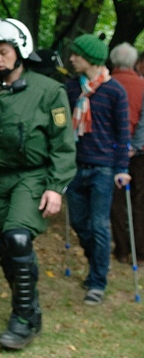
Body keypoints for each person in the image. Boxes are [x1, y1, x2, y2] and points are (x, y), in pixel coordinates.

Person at [0, 18, 76, 349]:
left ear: (20, 50)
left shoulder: (48, 91)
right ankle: (31, 306)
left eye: (3, 52)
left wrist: (55, 186)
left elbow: (63, 143)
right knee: (7, 247)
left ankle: (22, 320)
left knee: (18, 237)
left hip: (32, 176)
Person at [65, 34, 131, 305]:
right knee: (81, 224)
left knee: (99, 225)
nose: (71, 59)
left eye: (76, 55)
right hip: (74, 166)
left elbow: (122, 132)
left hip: (103, 169)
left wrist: (122, 167)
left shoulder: (115, 91)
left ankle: (97, 281)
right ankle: (98, 263)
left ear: (89, 58)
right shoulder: (70, 88)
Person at [108, 43, 144, 265]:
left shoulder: (105, 85)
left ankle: (121, 249)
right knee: (140, 201)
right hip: (139, 153)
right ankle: (140, 252)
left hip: (111, 151)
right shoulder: (142, 86)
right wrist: (135, 146)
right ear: (134, 63)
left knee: (116, 201)